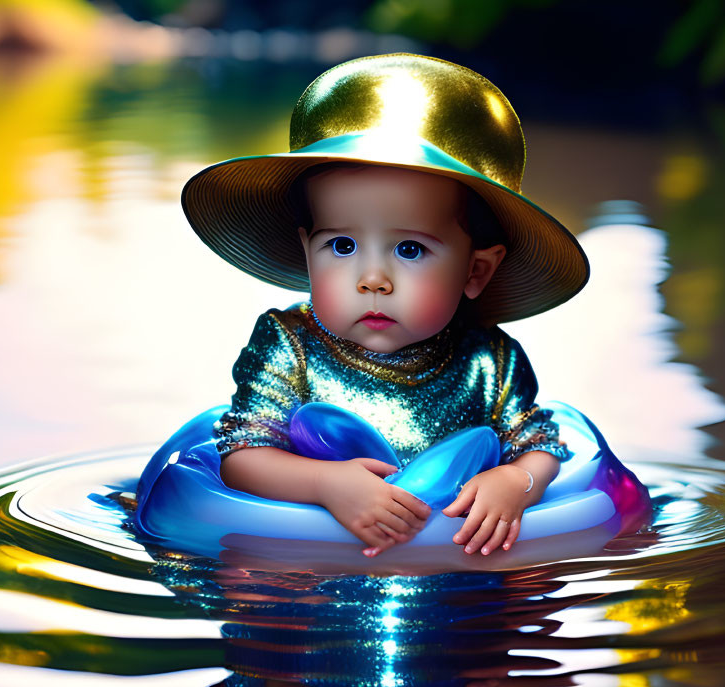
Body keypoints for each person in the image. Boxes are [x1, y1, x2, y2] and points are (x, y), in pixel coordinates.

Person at [181, 54, 589, 559]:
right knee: (249, 585)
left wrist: (515, 483)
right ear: (309, 253)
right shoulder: (288, 344)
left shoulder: (490, 360)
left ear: (474, 271)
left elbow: (540, 446)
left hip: (450, 566)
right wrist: (326, 485)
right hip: (310, 563)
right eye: (343, 247)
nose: (373, 279)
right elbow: (241, 456)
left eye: (410, 249)